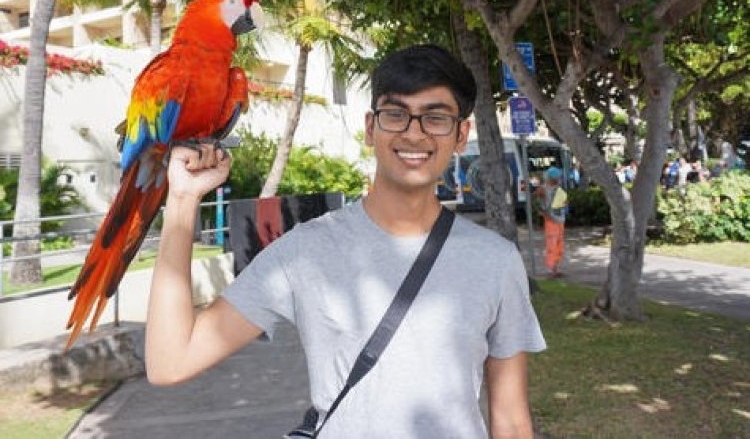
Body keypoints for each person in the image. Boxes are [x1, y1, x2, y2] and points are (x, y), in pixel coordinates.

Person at [145, 44, 547, 438]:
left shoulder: (496, 261)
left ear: (461, 135)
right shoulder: (304, 252)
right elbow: (170, 362)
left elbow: (512, 422)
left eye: (436, 118)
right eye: (396, 114)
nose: (414, 133)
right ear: (371, 128)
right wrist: (182, 199)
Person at [533, 166, 567, 278]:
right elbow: (534, 199)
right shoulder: (543, 189)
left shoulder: (557, 188)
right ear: (551, 178)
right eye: (557, 177)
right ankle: (551, 269)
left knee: (559, 245)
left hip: (559, 220)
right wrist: (541, 212)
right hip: (551, 221)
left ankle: (555, 268)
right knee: (552, 245)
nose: (559, 179)